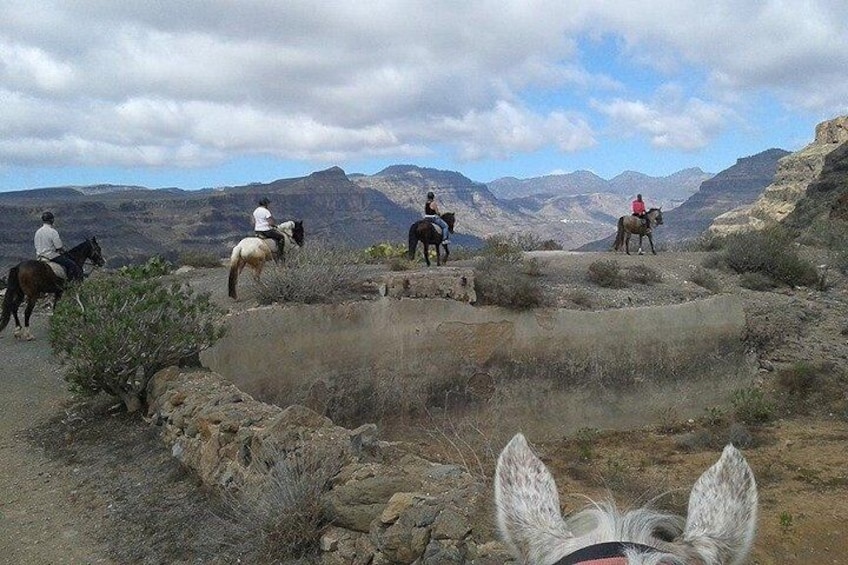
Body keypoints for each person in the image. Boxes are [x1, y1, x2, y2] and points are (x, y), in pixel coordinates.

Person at [34, 211, 84, 281]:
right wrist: (63, 251)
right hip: (51, 256)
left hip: (39, 256)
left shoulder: (38, 232)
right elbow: (59, 247)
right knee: (72, 265)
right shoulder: (53, 231)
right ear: (52, 220)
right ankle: (70, 284)